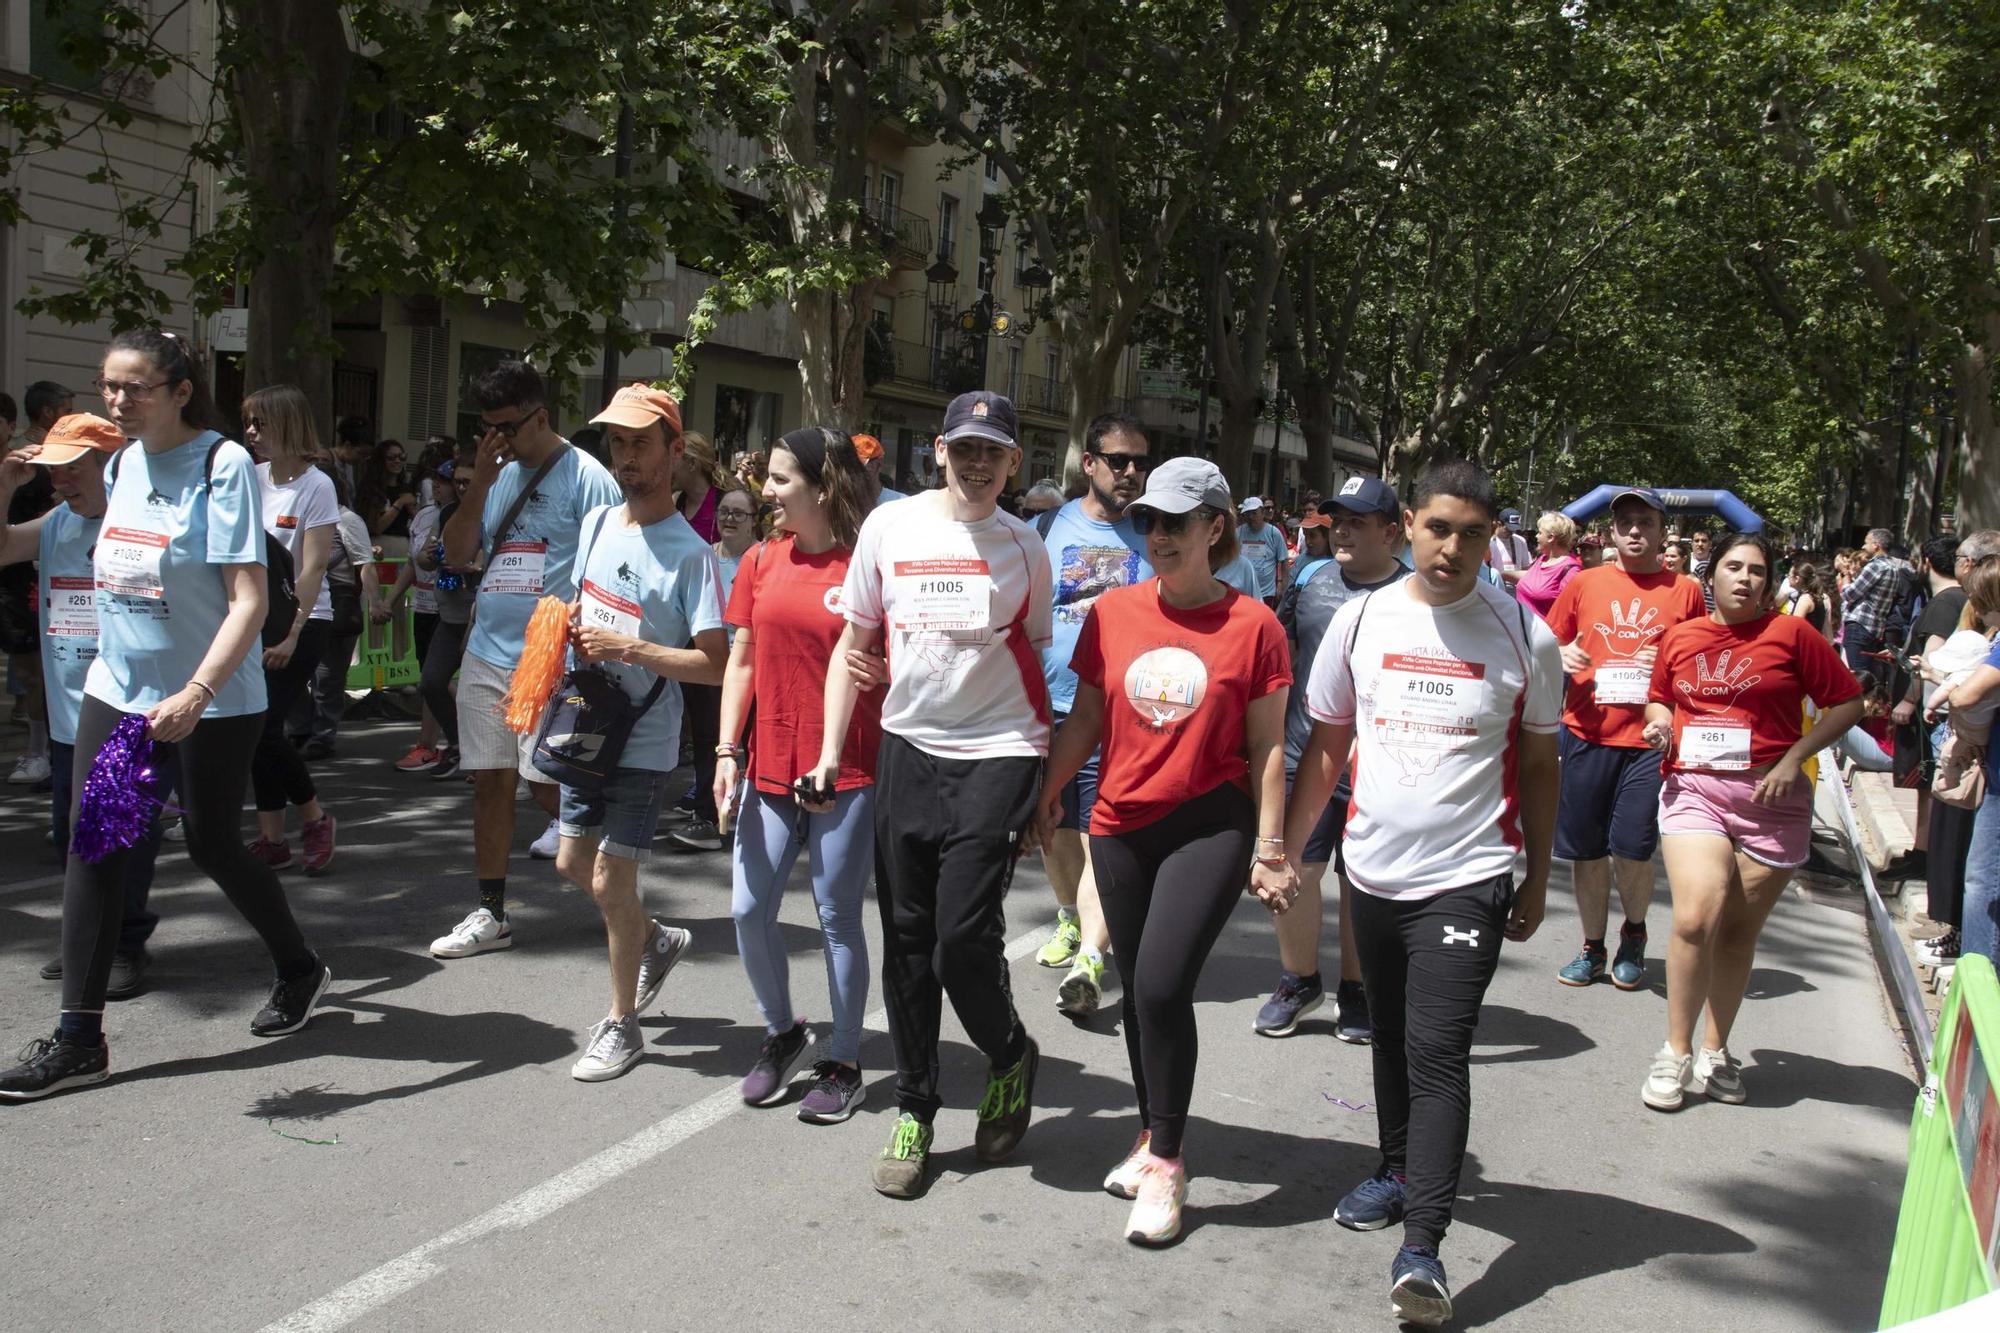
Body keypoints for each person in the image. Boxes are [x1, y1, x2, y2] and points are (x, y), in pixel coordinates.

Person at [0, 331, 330, 1101]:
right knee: (98, 847)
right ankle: (80, 1036)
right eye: (109, 386)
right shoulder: (120, 463)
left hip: (212, 699)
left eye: (136, 386)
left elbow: (249, 599)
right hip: (121, 695)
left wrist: (197, 692)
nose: (118, 400)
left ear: (181, 390)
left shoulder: (220, 468)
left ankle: (300, 967)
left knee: (215, 844)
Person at [1286, 460, 1560, 1325]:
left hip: (1468, 874)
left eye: (1473, 533)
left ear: (1492, 539)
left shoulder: (1524, 633)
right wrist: (1284, 850)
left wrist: (1539, 876)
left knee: (1438, 1049)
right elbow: (1327, 744)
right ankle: (1399, 1170)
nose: (1452, 547)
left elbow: (1542, 762)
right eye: (1439, 527)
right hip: (1372, 869)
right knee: (1392, 1037)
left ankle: (1425, 1251)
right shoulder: (1360, 617)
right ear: (1410, 524)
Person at [1037, 455, 1295, 1245]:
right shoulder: (1114, 611)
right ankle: (1151, 1135)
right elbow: (1084, 717)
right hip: (1119, 821)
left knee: (1157, 985)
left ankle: (1171, 1163)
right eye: (1148, 520)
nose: (1158, 535)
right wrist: (1045, 794)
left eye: (1176, 522)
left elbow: (1271, 747)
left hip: (1209, 823)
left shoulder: (1255, 625)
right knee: (1141, 999)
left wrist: (1272, 845)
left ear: (1216, 527)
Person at [813, 389, 1050, 1198]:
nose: (978, 464)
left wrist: (1046, 785)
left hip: (1000, 751)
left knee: (958, 939)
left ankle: (1010, 1051)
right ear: (939, 453)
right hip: (908, 750)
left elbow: (1036, 655)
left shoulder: (1025, 546)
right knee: (908, 942)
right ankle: (915, 1106)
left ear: (1014, 464)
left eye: (995, 452)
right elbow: (856, 643)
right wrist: (824, 752)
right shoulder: (889, 528)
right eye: (965, 449)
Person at [1640, 531, 1863, 1110]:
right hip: (1696, 789)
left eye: (1757, 571)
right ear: (1710, 576)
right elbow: (1660, 696)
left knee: (1738, 932)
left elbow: (1848, 702)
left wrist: (1795, 758)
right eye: (1733, 567)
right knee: (1696, 916)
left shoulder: (1792, 634)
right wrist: (1660, 721)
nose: (1745, 578)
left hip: (1772, 795)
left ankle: (1716, 1050)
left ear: (1770, 582)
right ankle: (1675, 1051)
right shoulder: (1682, 636)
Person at [551, 385, 724, 1080]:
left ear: (673, 452)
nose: (626, 456)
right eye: (617, 443)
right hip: (584, 725)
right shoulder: (596, 524)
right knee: (571, 866)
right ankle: (654, 937)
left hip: (647, 741)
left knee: (609, 876)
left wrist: (632, 649)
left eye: (640, 443)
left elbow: (715, 663)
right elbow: (576, 604)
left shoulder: (692, 553)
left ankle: (622, 1024)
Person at [430, 359, 622, 958]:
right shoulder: (498, 476)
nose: (496, 440)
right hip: (488, 653)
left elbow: (615, 563)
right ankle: (491, 914)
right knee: (490, 784)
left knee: (549, 788)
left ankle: (622, 901)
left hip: (552, 661)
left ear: (540, 416)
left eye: (507, 427)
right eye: (485, 427)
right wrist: (481, 484)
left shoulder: (588, 477)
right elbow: (456, 554)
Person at [716, 427, 880, 1119]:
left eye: (782, 479)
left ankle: (843, 1060)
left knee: (837, 912)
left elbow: (887, 659)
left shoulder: (866, 564)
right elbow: (743, 659)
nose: (768, 490)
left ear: (822, 486)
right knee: (749, 908)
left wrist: (882, 671)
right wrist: (727, 749)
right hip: (770, 762)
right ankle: (783, 1031)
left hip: (849, 767)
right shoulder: (759, 559)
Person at [0, 413, 164, 997]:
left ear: (107, 465)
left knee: (121, 832)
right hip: (73, 712)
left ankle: (123, 943)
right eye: (52, 470)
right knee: (77, 839)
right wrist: (4, 487)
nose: (59, 481)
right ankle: (89, 937)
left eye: (71, 468)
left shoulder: (139, 522)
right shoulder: (56, 522)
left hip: (131, 705)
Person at [1256, 477, 1410, 1043]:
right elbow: (1276, 654)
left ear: (1392, 531)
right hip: (1303, 755)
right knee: (1292, 870)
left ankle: (1356, 989)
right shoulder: (1311, 580)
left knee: (1361, 884)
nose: (1342, 530)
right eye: (1337, 519)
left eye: (1358, 521)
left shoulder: (1416, 596)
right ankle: (1299, 981)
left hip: (1378, 767)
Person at [1545, 488, 1707, 991]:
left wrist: (1665, 671)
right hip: (1585, 731)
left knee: (1633, 849)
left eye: (1645, 522)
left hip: (1649, 741)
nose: (1634, 530)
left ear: (1663, 533)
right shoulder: (1584, 582)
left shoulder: (1684, 591)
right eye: (1625, 523)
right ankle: (1593, 946)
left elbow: (1703, 663)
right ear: (1612, 532)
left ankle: (1633, 934)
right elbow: (1547, 641)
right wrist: (1561, 654)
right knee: (1587, 851)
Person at [1032, 412, 1153, 1019]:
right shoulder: (1045, 528)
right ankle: (1069, 919)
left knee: (1098, 833)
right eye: (1119, 461)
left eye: (1140, 463)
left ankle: (1091, 962)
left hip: (1115, 717)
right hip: (1045, 711)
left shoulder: (1157, 535)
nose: (1132, 473)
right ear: (1091, 465)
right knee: (1050, 828)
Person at [243, 385, 338, 874]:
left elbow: (314, 566)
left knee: (262, 727)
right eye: (249, 423)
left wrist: (292, 631)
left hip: (303, 621)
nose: (253, 433)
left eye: (262, 423)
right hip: (249, 622)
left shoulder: (317, 485)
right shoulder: (247, 477)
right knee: (258, 729)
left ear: (289, 424)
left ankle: (315, 818)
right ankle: (271, 839)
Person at [668, 483, 758, 853]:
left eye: (739, 513)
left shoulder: (764, 557)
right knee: (709, 739)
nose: (729, 519)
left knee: (750, 740)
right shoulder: (702, 556)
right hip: (710, 660)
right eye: (724, 511)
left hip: (752, 661)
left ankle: (752, 816)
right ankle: (707, 816)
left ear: (755, 521)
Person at [2, 381, 70, 787]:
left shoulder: (51, 467)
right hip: (18, 577)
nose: (67, 479)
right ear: (47, 413)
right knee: (32, 671)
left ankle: (46, 754)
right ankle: (42, 752)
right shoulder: (23, 462)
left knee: (44, 671)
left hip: (39, 580)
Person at [414, 459, 476, 782]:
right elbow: (424, 559)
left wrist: (470, 567)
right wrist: (431, 554)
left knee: (474, 692)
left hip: (478, 617)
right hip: (450, 615)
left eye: (468, 481)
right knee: (431, 682)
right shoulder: (447, 514)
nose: (463, 487)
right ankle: (457, 745)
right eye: (459, 481)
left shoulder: (492, 511)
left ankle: (482, 760)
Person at [387, 456, 450, 772]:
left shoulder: (468, 516)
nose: (438, 485)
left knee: (435, 680)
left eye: (446, 481)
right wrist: (390, 600)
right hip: (424, 607)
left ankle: (436, 745)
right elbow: (415, 563)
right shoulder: (426, 516)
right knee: (431, 679)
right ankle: (445, 745)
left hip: (451, 610)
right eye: (436, 480)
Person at [1841, 527, 1922, 673]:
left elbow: (1850, 594)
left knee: (1858, 676)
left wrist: (1846, 579)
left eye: (1866, 543)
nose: (1863, 546)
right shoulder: (1893, 568)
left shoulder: (1875, 566)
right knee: (1865, 674)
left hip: (1859, 625)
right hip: (1873, 629)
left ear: (1876, 545)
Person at [1513, 511, 1581, 622]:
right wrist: (1500, 574)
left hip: (1541, 636)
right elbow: (1531, 578)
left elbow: (1568, 614)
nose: (1536, 536)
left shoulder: (1571, 570)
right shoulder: (1542, 559)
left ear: (1551, 537)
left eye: (1540, 533)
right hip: (1520, 632)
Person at [357, 439, 419, 554]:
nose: (397, 461)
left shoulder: (406, 489)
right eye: (391, 457)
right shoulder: (371, 489)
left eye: (402, 457)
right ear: (381, 460)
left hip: (404, 547)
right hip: (379, 548)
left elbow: (419, 525)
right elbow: (376, 528)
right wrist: (399, 503)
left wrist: (413, 510)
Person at [1236, 496, 1289, 608]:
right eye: (1248, 514)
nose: (1251, 517)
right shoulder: (1239, 532)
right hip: (1243, 590)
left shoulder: (1273, 533)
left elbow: (1283, 560)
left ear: (1262, 512)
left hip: (1266, 592)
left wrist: (1282, 586)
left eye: (1254, 513)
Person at [675, 430, 724, 542]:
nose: (668, 469)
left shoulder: (723, 502)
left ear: (692, 464)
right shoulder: (677, 501)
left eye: (673, 462)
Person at [853, 433, 906, 507]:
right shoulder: (840, 502)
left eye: (861, 464)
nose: (855, 470)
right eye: (850, 464)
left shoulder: (900, 503)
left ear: (879, 464)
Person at [1487, 508, 1532, 587]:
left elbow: (1525, 566)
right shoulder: (1489, 541)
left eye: (1513, 529)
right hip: (1495, 585)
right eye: (1508, 529)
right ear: (1499, 524)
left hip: (1516, 586)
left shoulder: (1521, 541)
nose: (1511, 532)